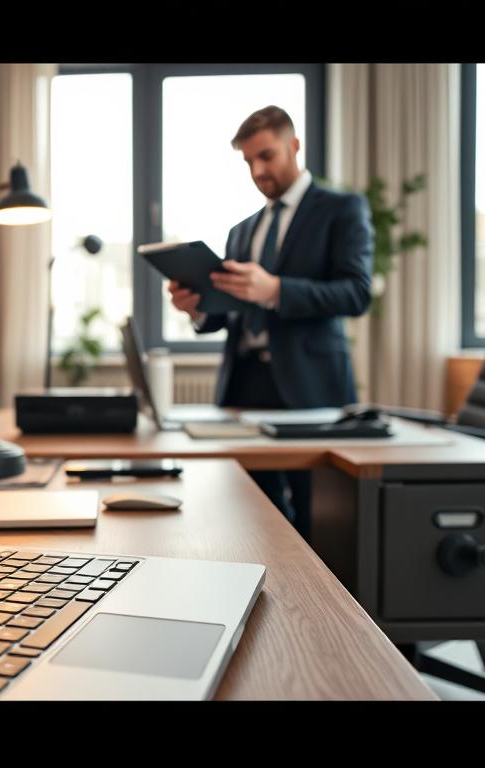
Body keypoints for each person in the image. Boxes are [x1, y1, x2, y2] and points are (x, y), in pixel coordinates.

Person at [168, 105, 373, 540]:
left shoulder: (341, 209)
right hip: (244, 388)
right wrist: (199, 309)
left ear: (294, 145)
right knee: (254, 520)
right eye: (248, 162)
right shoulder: (242, 230)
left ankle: (320, 609)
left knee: (319, 523)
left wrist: (276, 289)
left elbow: (356, 293)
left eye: (267, 156)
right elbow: (230, 313)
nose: (258, 170)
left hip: (311, 388)